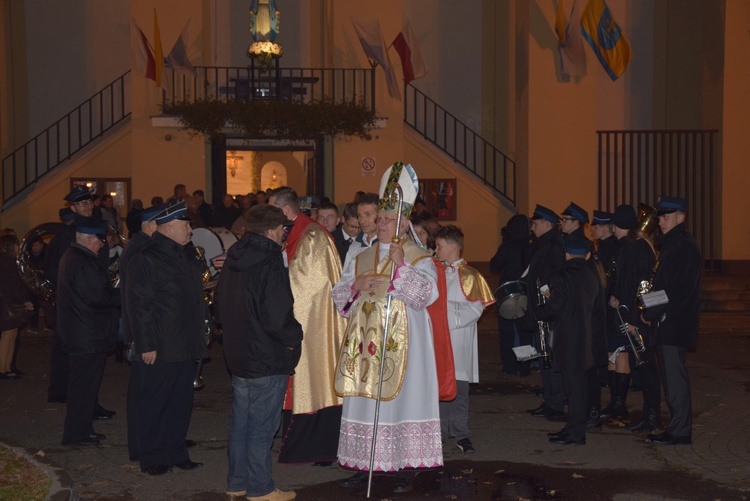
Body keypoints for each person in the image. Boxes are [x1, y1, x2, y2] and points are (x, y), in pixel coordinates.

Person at [332, 162, 443, 494]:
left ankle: (406, 465)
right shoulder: (360, 256)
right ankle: (366, 462)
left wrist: (400, 267)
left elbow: (427, 295)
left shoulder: (418, 256)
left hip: (404, 347)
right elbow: (338, 297)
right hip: (366, 347)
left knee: (401, 402)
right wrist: (356, 286)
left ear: (403, 222)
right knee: (367, 402)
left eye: (386, 219)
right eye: (377, 219)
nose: (379, 224)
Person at [217, 204, 302, 501]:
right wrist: (295, 338)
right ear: (269, 231)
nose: (284, 235)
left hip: (239, 353)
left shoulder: (233, 258)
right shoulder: (269, 261)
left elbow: (219, 306)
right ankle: (260, 488)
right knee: (263, 426)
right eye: (282, 229)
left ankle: (237, 481)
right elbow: (277, 316)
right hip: (267, 356)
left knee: (241, 421)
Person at [126, 201, 210, 474]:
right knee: (155, 403)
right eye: (185, 225)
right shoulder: (148, 257)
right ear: (169, 228)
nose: (190, 229)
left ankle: (176, 452)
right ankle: (152, 457)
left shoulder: (186, 254)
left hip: (186, 340)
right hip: (162, 344)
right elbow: (140, 304)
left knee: (180, 402)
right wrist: (147, 343)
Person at [267, 187, 347, 465]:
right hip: (299, 322)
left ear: (285, 211)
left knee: (314, 378)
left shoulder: (312, 236)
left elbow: (310, 286)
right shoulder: (294, 233)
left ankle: (319, 447)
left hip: (313, 327)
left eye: (271, 209)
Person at [643, 196, 701, 446]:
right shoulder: (674, 244)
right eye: (660, 217)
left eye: (666, 217)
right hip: (670, 321)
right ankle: (676, 426)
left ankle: (679, 430)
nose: (661, 221)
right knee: (671, 376)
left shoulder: (681, 246)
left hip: (673, 323)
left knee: (674, 378)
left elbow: (669, 290)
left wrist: (648, 311)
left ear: (681, 217)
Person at [57, 217, 120, 446]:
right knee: (83, 388)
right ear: (90, 238)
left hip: (82, 332)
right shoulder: (84, 262)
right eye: (99, 240)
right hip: (86, 334)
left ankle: (82, 429)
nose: (102, 244)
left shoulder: (75, 257)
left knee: (83, 387)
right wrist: (121, 293)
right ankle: (77, 434)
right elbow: (100, 297)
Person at [434, 225, 495, 453]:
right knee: (440, 388)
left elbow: (475, 309)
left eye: (439, 245)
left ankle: (461, 433)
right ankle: (438, 433)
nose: (435, 249)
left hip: (458, 339)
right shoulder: (435, 271)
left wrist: (444, 315)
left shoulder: (470, 275)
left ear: (452, 247)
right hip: (438, 339)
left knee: (458, 389)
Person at [536, 235, 601, 445]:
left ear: (566, 254)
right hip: (586, 335)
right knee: (578, 385)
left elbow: (555, 308)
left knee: (572, 387)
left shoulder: (562, 276)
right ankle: (573, 427)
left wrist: (540, 310)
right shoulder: (592, 275)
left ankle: (575, 432)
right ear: (588, 255)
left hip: (567, 336)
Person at [607, 204, 660, 433]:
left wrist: (634, 318)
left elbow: (642, 287)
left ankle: (652, 416)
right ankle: (650, 416)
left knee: (647, 367)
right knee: (644, 366)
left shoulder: (637, 249)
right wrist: (617, 297)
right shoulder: (630, 247)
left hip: (638, 318)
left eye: (614, 225)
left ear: (619, 226)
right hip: (633, 313)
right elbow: (627, 283)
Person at [120, 204, 161, 462]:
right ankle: (140, 447)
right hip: (141, 334)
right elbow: (139, 300)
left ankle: (142, 444)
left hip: (140, 332)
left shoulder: (138, 246)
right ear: (149, 225)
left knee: (142, 393)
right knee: (143, 395)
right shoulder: (141, 250)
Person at [523, 205, 566, 419]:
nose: (533, 227)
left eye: (536, 223)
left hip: (548, 311)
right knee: (544, 357)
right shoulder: (544, 245)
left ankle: (556, 402)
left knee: (550, 357)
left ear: (547, 224)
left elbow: (553, 279)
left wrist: (547, 304)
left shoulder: (554, 246)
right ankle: (550, 399)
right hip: (540, 310)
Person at [489, 214, 531, 377]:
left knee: (507, 333)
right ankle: (525, 367)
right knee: (524, 333)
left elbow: (494, 265)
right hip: (525, 292)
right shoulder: (530, 246)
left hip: (507, 293)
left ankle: (510, 367)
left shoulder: (507, 246)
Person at [0, 234, 34, 380]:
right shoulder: (8, 262)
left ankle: (7, 367)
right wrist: (24, 300)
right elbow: (13, 285)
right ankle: (3, 368)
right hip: (9, 303)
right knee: (8, 336)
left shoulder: (6, 261)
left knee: (11, 335)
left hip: (8, 301)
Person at [341, 192, 380, 271]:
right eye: (359, 215)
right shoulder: (355, 246)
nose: (362, 221)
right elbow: (345, 280)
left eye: (367, 214)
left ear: (380, 215)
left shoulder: (389, 244)